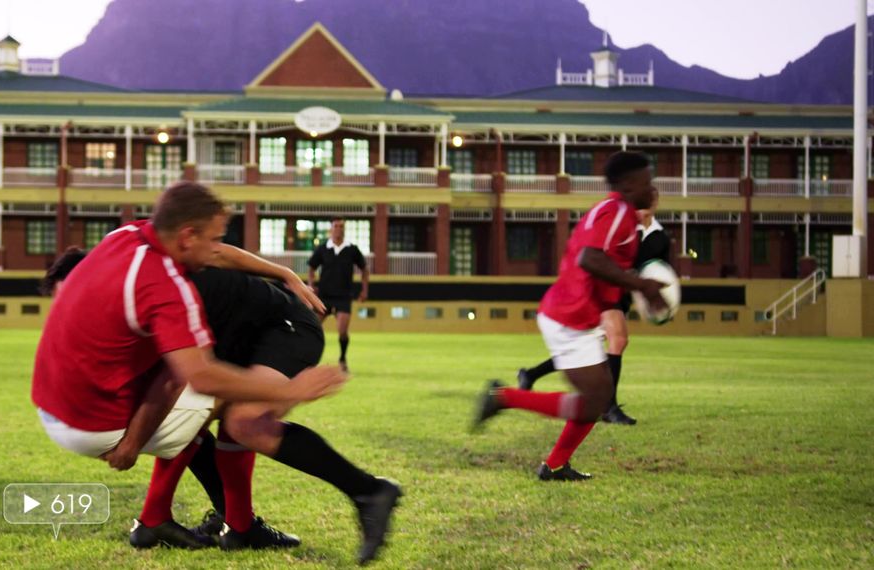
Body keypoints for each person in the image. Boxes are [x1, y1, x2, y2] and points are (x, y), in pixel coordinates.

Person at [42, 249, 402, 565]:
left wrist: (131, 444)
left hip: (283, 328)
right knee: (187, 416)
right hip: (231, 342)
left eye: (72, 302)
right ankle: (235, 525)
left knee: (240, 421)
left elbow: (211, 254)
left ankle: (369, 491)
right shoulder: (116, 298)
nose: (70, 316)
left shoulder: (142, 287)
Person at [472, 152, 665, 481]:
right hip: (569, 314)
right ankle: (504, 397)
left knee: (598, 398)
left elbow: (601, 264)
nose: (653, 187)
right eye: (647, 182)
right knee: (595, 401)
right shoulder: (618, 212)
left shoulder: (620, 214)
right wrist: (641, 285)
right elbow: (590, 258)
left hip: (578, 314)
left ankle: (555, 465)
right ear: (630, 185)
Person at [516, 187, 671, 425]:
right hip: (602, 290)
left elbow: (662, 273)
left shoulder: (660, 238)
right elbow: (598, 256)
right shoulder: (621, 224)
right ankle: (609, 408)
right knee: (618, 340)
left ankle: (531, 374)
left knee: (589, 350)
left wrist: (659, 300)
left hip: (624, 294)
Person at [307, 218, 369, 373]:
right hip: (324, 296)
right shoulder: (323, 249)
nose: (339, 229)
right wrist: (311, 285)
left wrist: (364, 289)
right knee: (313, 328)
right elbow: (311, 268)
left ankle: (342, 359)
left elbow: (364, 269)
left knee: (342, 331)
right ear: (331, 229)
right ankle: (309, 361)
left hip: (343, 296)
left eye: (341, 226)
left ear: (344, 229)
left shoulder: (352, 249)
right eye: (336, 226)